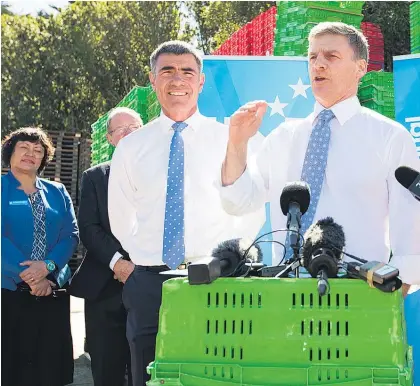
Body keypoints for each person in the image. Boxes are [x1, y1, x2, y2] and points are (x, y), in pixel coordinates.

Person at [108, 40, 265, 386]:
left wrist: (229, 259)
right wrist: (145, 256)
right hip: (149, 283)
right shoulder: (132, 146)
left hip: (215, 279)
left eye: (187, 71)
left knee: (216, 373)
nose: (177, 79)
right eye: (167, 70)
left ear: (201, 81)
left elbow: (251, 208)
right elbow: (121, 216)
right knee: (148, 373)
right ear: (152, 79)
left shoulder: (231, 138)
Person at [220, 21, 420, 293]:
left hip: (361, 295)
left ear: (360, 68)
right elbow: (239, 201)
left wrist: (391, 302)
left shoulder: (390, 137)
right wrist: (237, 143)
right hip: (284, 292)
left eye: (331, 56)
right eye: (313, 57)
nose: (318, 64)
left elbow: (411, 235)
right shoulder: (282, 137)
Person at [69, 107, 143, 386]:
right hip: (105, 286)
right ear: (110, 139)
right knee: (107, 367)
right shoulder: (94, 177)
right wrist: (119, 263)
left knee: (147, 367)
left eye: (133, 128)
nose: (126, 134)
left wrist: (140, 264)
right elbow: (88, 228)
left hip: (149, 283)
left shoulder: (162, 175)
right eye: (119, 130)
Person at [1, 127, 79, 386]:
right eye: (24, 147)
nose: (30, 154)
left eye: (38, 150)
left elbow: (71, 235)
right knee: (11, 366)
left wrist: (48, 268)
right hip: (9, 292)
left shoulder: (57, 191)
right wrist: (31, 277)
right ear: (10, 152)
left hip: (52, 291)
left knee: (49, 368)